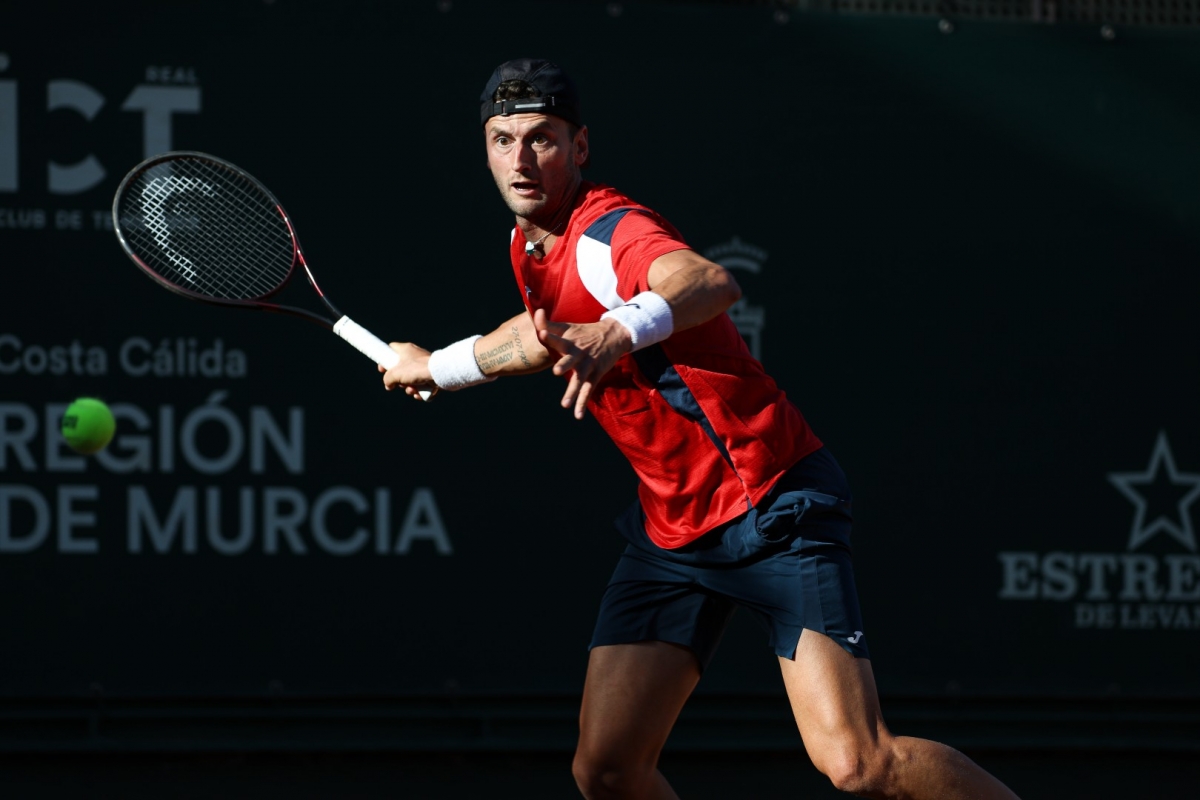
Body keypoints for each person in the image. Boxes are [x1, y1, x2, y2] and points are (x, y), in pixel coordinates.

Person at [381, 58, 1020, 800]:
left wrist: (618, 331)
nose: (521, 160)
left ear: (580, 146)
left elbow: (708, 281)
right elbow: (540, 332)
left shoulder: (610, 229)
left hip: (769, 501)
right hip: (672, 531)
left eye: (542, 138)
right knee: (608, 769)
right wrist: (438, 366)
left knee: (858, 763)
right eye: (503, 140)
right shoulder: (531, 243)